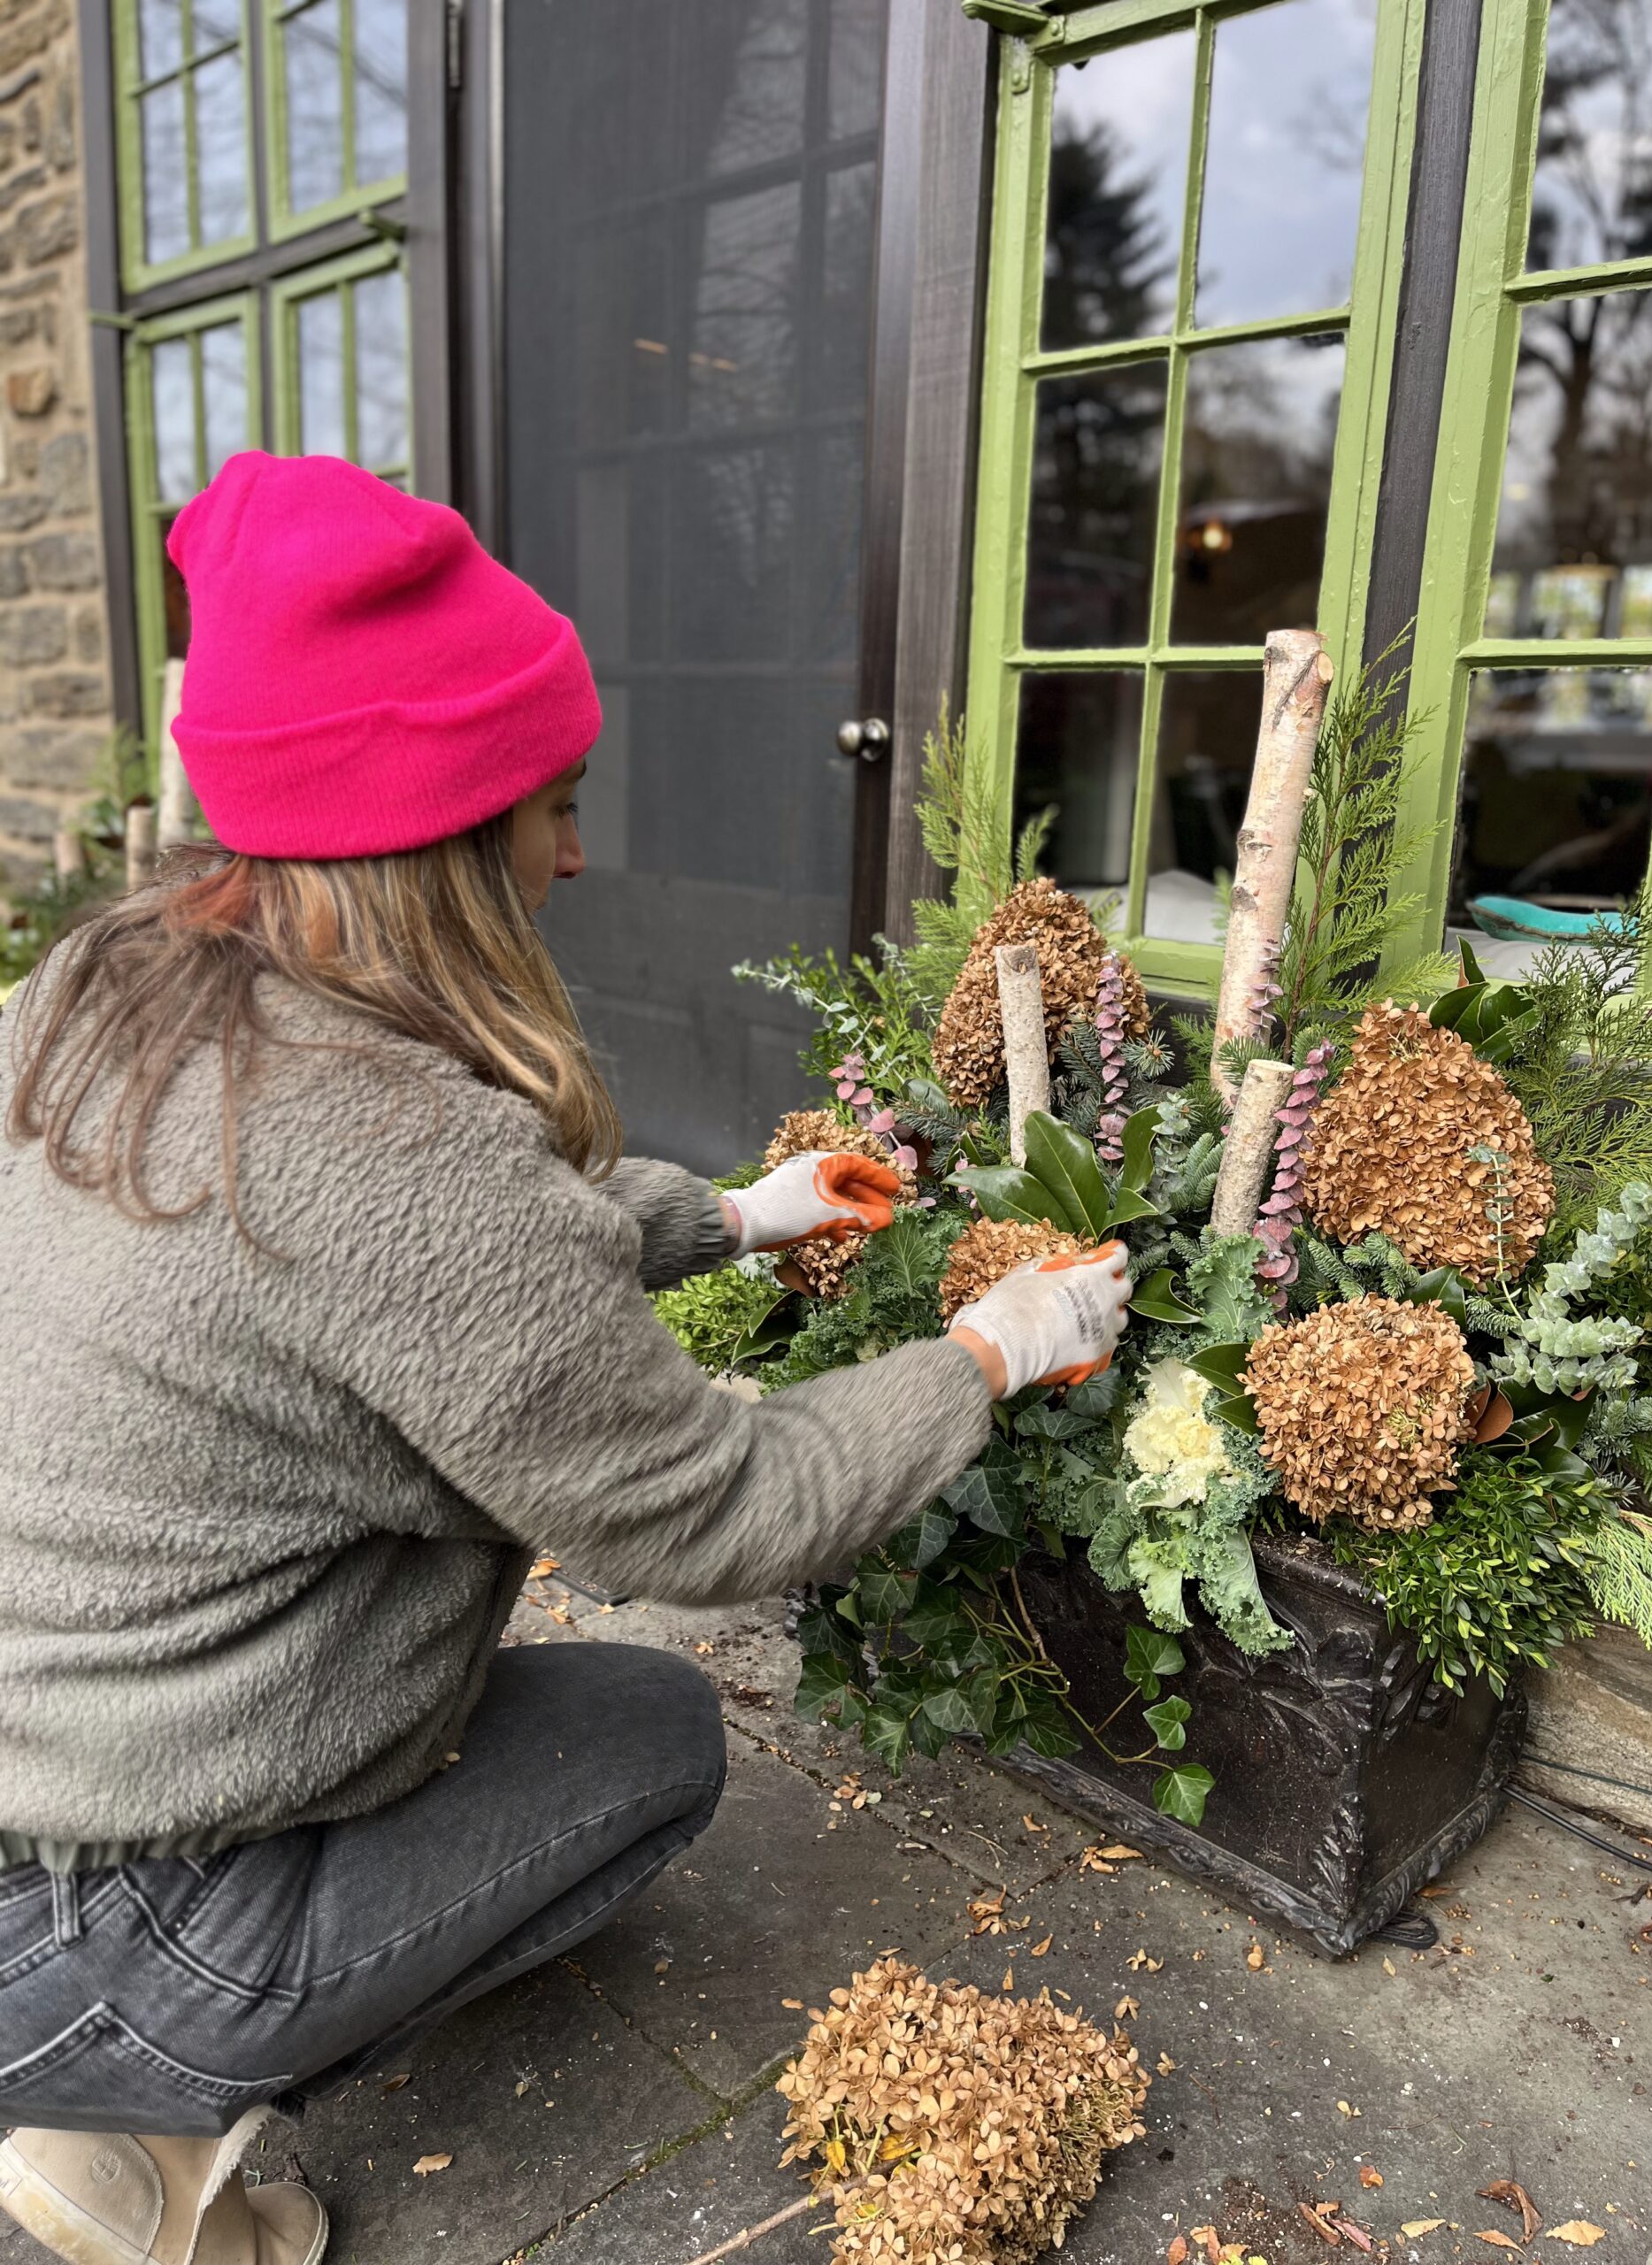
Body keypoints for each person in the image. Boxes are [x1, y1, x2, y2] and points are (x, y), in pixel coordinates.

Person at [0, 455, 1132, 2265]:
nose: (578, 850)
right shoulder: (401, 1165)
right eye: (552, 801)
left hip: (40, 1768)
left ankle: (108, 2074)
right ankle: (143, 2100)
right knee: (657, 1740)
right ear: (437, 830)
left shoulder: (109, 984)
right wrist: (992, 1349)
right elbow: (714, 1509)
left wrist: (744, 1215)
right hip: (114, 1909)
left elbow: (400, 1257)